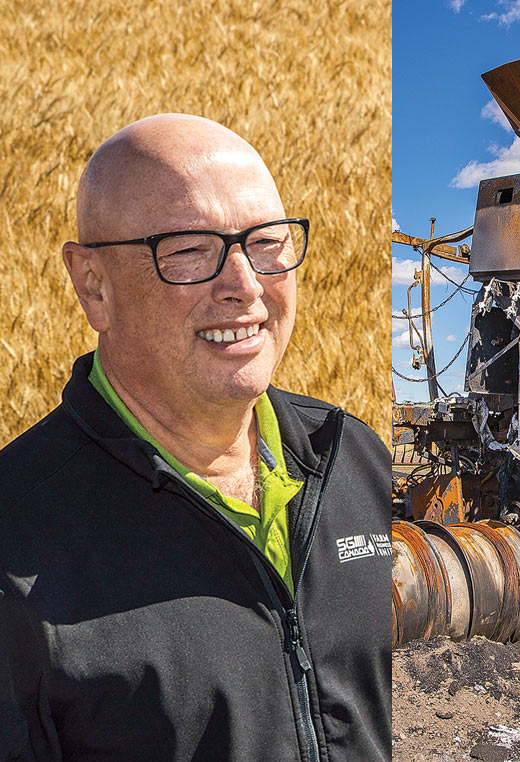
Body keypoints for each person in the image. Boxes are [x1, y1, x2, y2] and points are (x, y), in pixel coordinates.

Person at [0, 114, 391, 761]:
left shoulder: (351, 456)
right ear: (92, 286)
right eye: (189, 249)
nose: (244, 285)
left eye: (267, 242)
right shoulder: (14, 539)